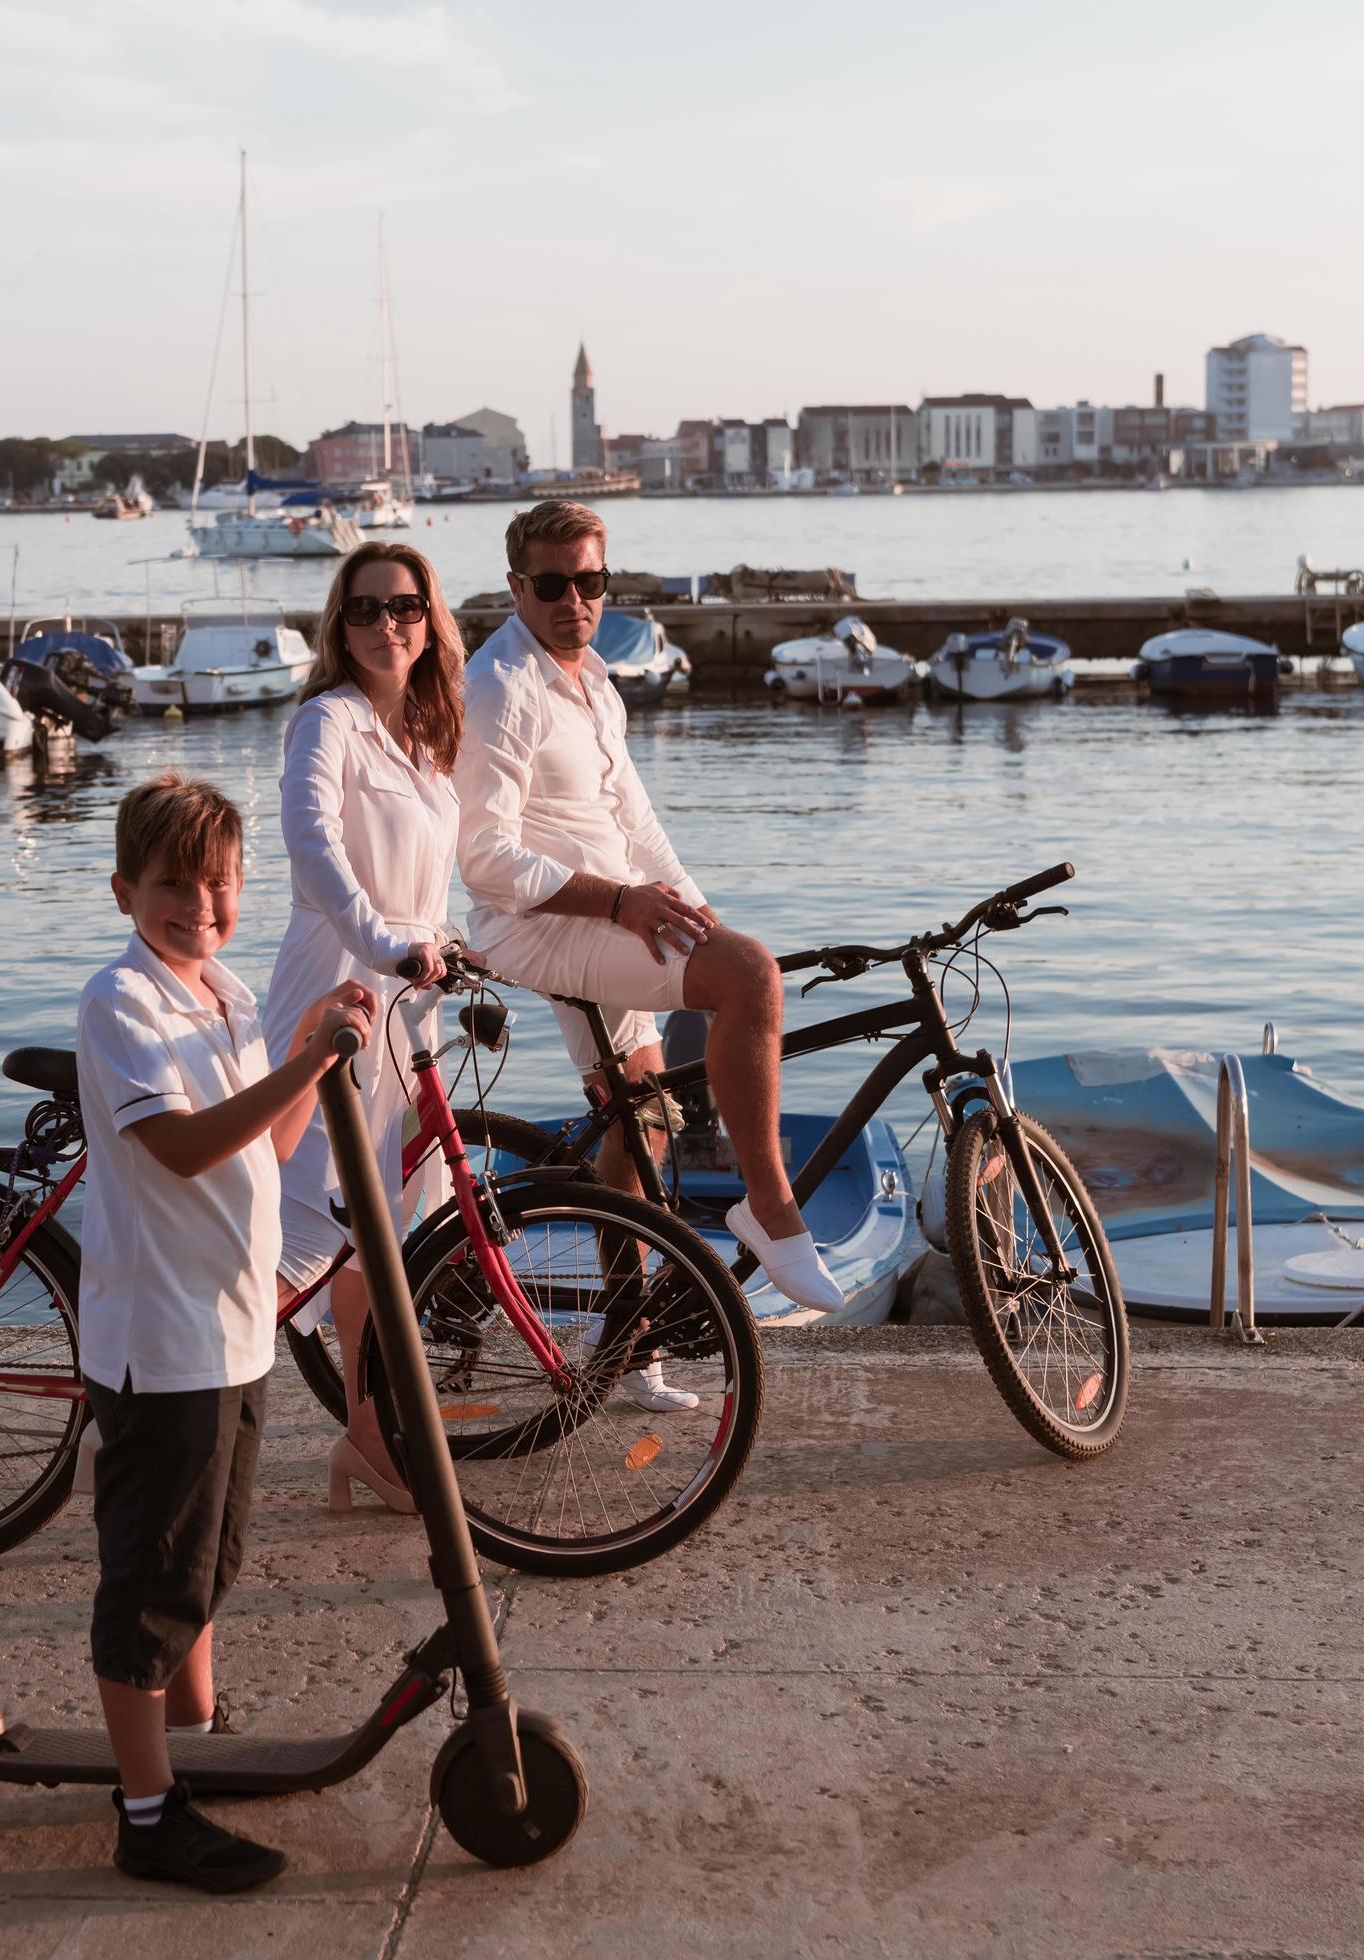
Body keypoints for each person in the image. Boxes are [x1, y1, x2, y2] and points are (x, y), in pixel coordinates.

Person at [72, 774, 373, 1892]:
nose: (196, 904)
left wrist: (311, 1043)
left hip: (238, 1330)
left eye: (216, 883)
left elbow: (270, 1141)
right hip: (163, 1339)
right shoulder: (122, 1004)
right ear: (123, 891)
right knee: (151, 1578)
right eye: (169, 885)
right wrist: (304, 1056)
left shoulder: (231, 997)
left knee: (208, 1560)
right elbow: (187, 1148)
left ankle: (194, 1749)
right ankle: (147, 1813)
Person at [455, 499, 846, 1325]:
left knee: (646, 1123)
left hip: (616, 914)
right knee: (752, 980)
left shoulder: (593, 679)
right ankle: (770, 1210)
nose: (574, 601)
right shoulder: (498, 689)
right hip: (542, 926)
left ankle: (632, 1343)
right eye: (553, 584)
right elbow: (484, 860)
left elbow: (635, 822)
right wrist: (624, 903)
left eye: (591, 581)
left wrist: (698, 911)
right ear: (517, 587)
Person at [263, 541, 466, 1513]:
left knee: (375, 1247)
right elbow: (314, 844)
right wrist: (385, 940)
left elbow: (421, 881)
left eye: (408, 606)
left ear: (430, 621)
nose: (390, 622)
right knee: (294, 1244)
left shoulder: (424, 742)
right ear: (338, 628)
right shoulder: (327, 721)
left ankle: (371, 1439)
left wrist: (448, 942)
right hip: (335, 995)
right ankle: (126, 1425)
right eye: (368, 608)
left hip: (406, 1007)